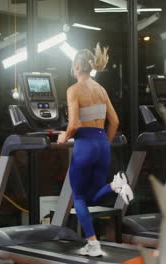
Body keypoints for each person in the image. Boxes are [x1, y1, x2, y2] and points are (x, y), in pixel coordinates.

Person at [57, 43, 134, 257]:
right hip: (102, 144)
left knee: (79, 197)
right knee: (92, 197)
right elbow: (115, 121)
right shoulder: (100, 90)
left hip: (85, 145)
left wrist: (64, 136)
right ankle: (115, 185)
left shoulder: (74, 90)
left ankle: (92, 243)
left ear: (76, 67)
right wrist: (103, 144)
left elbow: (73, 124)